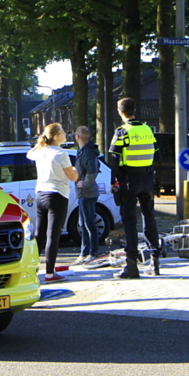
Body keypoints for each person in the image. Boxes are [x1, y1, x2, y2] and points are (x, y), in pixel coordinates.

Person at [108, 97, 158, 279]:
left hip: (129, 181)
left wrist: (114, 182)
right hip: (147, 179)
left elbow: (114, 159)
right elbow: (157, 154)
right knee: (149, 218)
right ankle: (155, 261)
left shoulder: (122, 132)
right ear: (134, 109)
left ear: (120, 112)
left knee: (129, 222)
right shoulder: (147, 129)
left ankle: (132, 266)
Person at [26, 122, 78, 283]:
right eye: (62, 131)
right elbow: (73, 177)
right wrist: (76, 170)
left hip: (40, 194)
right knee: (53, 235)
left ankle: (32, 270)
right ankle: (49, 273)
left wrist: (40, 142)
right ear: (55, 136)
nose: (65, 133)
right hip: (57, 195)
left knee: (39, 234)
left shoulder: (40, 152)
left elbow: (29, 153)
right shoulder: (61, 154)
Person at [71, 125, 102, 265]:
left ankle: (92, 252)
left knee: (88, 224)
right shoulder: (83, 151)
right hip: (83, 193)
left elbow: (92, 171)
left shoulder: (87, 153)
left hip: (87, 193)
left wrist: (84, 183)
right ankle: (84, 253)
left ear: (78, 137)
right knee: (83, 224)